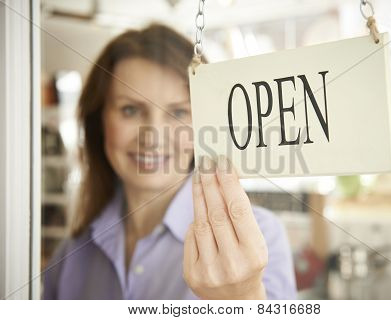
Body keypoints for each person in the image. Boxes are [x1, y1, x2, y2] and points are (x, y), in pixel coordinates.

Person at [43, 23, 297, 299]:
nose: (153, 137)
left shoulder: (258, 241)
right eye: (130, 110)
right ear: (98, 122)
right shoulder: (71, 255)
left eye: (178, 112)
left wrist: (244, 298)